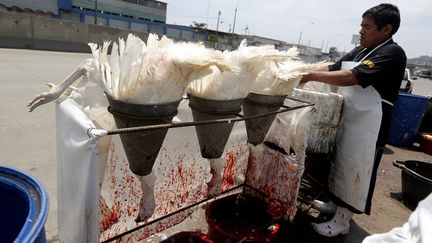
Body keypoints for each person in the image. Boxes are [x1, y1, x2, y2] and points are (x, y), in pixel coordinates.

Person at [299, 3, 407, 237]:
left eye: (367, 27)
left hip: (370, 124)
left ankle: (342, 222)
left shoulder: (391, 53)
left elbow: (351, 76)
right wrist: (301, 68)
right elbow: (334, 66)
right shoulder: (361, 50)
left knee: (357, 168)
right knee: (340, 163)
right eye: (361, 25)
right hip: (350, 117)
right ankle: (336, 206)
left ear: (386, 29)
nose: (361, 31)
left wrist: (309, 76)